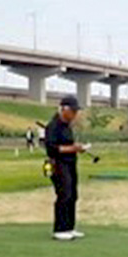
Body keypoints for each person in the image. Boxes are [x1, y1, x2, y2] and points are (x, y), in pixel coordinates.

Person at [44, 95, 90, 241]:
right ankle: (60, 229)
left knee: (73, 195)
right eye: (73, 111)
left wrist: (76, 149)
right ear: (64, 109)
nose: (75, 115)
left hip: (70, 163)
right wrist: (72, 148)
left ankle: (69, 227)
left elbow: (69, 145)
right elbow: (51, 149)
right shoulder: (53, 126)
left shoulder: (67, 126)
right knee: (64, 194)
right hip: (58, 164)